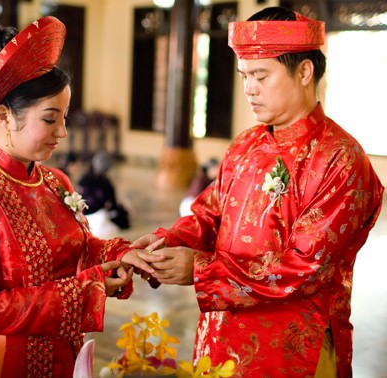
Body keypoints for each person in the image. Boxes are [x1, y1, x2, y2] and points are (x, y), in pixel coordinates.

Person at [129, 7, 384, 378]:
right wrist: (165, 243)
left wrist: (200, 270)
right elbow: (209, 215)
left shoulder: (340, 159)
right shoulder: (245, 145)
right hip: (221, 335)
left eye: (260, 76)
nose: (249, 88)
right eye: (244, 76)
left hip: (295, 349)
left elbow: (304, 269)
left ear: (304, 71)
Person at [0, 16, 154, 378]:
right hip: (7, 363)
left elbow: (79, 249)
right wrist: (81, 294)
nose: (64, 132)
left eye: (65, 118)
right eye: (50, 119)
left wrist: (121, 254)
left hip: (65, 351)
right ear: (6, 116)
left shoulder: (56, 182)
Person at [78, 150, 130, 238]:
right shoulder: (107, 184)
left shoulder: (83, 180)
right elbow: (113, 207)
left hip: (82, 219)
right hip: (100, 221)